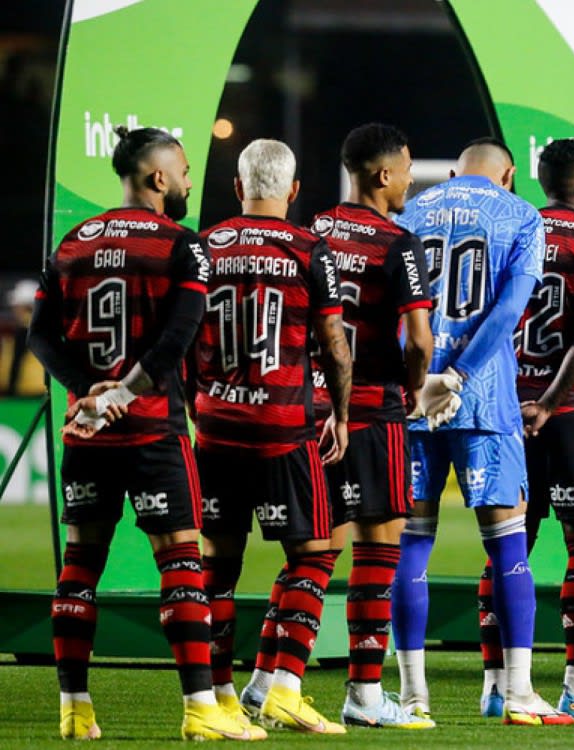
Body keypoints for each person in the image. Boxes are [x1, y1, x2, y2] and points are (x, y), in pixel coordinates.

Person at [28, 126, 262, 740]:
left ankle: (74, 708)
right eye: (183, 170)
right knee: (182, 562)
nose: (188, 180)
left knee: (79, 566)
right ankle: (199, 710)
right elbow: (178, 336)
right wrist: (126, 393)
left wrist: (87, 393)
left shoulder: (72, 244)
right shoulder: (182, 245)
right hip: (153, 432)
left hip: (86, 435)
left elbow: (39, 338)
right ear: (157, 177)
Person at [391, 137, 574, 726]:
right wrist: (462, 375)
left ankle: (413, 696)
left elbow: (395, 308)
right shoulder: (522, 216)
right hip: (485, 398)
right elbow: (508, 310)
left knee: (411, 545)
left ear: (452, 171)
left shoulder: (413, 209)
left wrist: (423, 380)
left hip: (414, 399)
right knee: (506, 547)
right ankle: (517, 692)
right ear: (510, 174)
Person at [193, 138, 352, 735]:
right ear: (293, 190)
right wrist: (339, 410)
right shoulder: (311, 248)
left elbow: (184, 338)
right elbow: (334, 344)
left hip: (216, 426)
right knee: (314, 555)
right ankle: (285, 687)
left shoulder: (204, 247)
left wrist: (197, 405)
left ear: (238, 188)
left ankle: (221, 696)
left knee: (217, 563)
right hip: (285, 426)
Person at [477, 136, 574, 720]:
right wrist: (549, 400)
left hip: (503, 411)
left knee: (506, 544)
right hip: (570, 412)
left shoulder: (510, 230)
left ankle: (496, 686)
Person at [307, 123, 436, 728]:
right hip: (373, 407)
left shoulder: (315, 231)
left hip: (312, 409)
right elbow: (419, 338)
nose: (411, 178)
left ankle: (268, 680)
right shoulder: (397, 243)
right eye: (407, 168)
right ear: (383, 175)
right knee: (380, 546)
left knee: (313, 552)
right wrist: (413, 390)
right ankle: (363, 693)